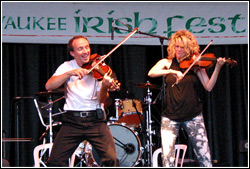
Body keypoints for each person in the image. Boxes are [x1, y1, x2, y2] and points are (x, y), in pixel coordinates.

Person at [148, 30, 226, 167]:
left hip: (193, 115)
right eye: (177, 46)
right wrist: (172, 71)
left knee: (204, 157)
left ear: (189, 48)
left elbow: (208, 87)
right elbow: (152, 72)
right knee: (168, 159)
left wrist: (218, 68)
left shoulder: (196, 65)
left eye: (182, 47)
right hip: (170, 116)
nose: (179, 50)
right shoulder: (167, 62)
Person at [45, 35, 119, 167]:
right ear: (72, 53)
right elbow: (49, 86)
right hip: (72, 121)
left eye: (87, 47)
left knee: (111, 159)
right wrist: (69, 73)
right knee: (55, 161)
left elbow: (102, 99)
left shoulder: (100, 69)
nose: (85, 51)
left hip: (95, 119)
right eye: (80, 49)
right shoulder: (67, 66)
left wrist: (105, 86)